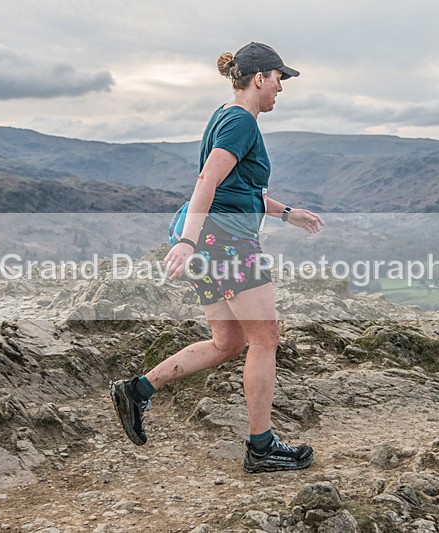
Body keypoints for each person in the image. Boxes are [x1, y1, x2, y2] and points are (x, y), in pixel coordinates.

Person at [111, 42, 324, 473]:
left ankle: (138, 390)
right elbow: (207, 180)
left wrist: (286, 213)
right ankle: (261, 447)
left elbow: (236, 189)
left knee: (229, 342)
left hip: (212, 239)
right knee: (265, 339)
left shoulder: (225, 116)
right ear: (260, 77)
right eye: (279, 78)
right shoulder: (242, 121)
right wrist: (187, 243)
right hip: (224, 242)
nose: (281, 88)